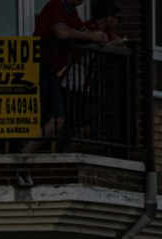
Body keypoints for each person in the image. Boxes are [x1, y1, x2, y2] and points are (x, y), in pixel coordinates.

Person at [26, 0, 109, 151]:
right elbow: (62, 32)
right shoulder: (56, 6)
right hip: (40, 69)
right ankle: (22, 154)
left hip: (52, 73)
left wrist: (99, 37)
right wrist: (92, 36)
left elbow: (83, 31)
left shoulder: (72, 13)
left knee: (56, 120)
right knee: (55, 119)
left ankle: (25, 153)